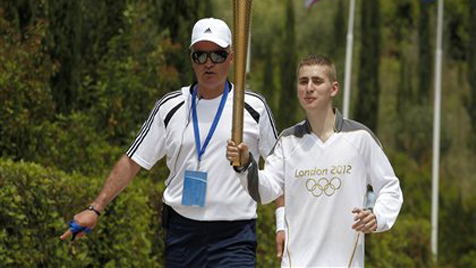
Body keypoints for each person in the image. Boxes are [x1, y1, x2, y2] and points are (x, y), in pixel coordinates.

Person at [61, 17, 283, 268]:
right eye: (200, 55)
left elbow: (280, 169)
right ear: (191, 59)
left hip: (234, 236)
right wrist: (95, 208)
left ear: (231, 58)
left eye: (218, 55)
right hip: (182, 235)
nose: (209, 63)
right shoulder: (170, 106)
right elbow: (133, 160)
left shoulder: (254, 107)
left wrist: (283, 223)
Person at [226, 54, 403, 267]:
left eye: (317, 81)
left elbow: (390, 187)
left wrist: (378, 216)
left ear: (334, 88)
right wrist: (246, 165)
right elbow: (265, 192)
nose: (309, 87)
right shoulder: (287, 141)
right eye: (303, 81)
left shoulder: (360, 138)